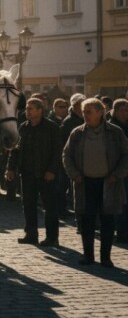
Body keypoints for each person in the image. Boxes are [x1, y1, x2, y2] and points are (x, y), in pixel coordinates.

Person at [63, 98, 128, 267]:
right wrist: (75, 175)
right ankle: (88, 256)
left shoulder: (115, 132)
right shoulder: (77, 133)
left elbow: (126, 155)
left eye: (89, 112)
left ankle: (105, 258)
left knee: (107, 221)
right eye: (84, 112)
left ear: (101, 112)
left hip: (109, 183)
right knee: (87, 221)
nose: (86, 115)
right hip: (85, 183)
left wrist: (117, 175)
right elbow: (66, 155)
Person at [6, 98, 62, 246]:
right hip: (27, 174)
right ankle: (31, 234)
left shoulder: (52, 128)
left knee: (50, 207)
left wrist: (51, 170)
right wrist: (10, 168)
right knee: (28, 205)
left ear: (40, 110)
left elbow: (57, 152)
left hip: (46, 175)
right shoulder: (23, 128)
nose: (27, 112)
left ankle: (52, 237)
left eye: (30, 109)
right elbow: (15, 151)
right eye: (27, 109)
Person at [111, 99, 128, 243]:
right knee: (119, 203)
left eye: (126, 110)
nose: (124, 113)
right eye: (122, 110)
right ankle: (120, 232)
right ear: (115, 111)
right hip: (114, 170)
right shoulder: (111, 127)